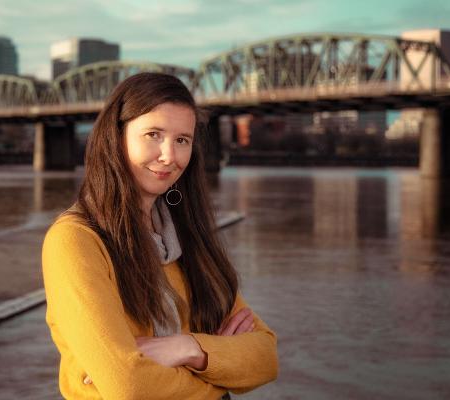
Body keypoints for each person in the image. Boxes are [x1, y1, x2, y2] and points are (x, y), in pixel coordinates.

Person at [42, 72, 278, 399]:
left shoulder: (187, 236)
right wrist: (222, 368)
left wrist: (190, 348)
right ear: (116, 137)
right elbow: (129, 386)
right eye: (154, 134)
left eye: (182, 140)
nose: (169, 156)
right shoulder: (76, 241)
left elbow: (266, 356)